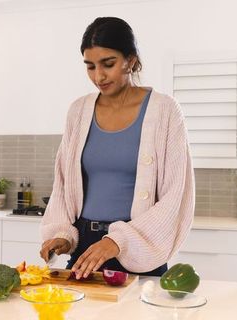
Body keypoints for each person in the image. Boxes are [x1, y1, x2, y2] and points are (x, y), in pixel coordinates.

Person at [40, 17, 195, 279]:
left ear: (131, 61)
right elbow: (63, 185)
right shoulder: (78, 111)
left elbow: (174, 194)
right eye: (90, 66)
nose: (98, 76)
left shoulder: (165, 110)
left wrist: (118, 241)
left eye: (108, 64)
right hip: (86, 248)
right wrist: (62, 235)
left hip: (139, 248)